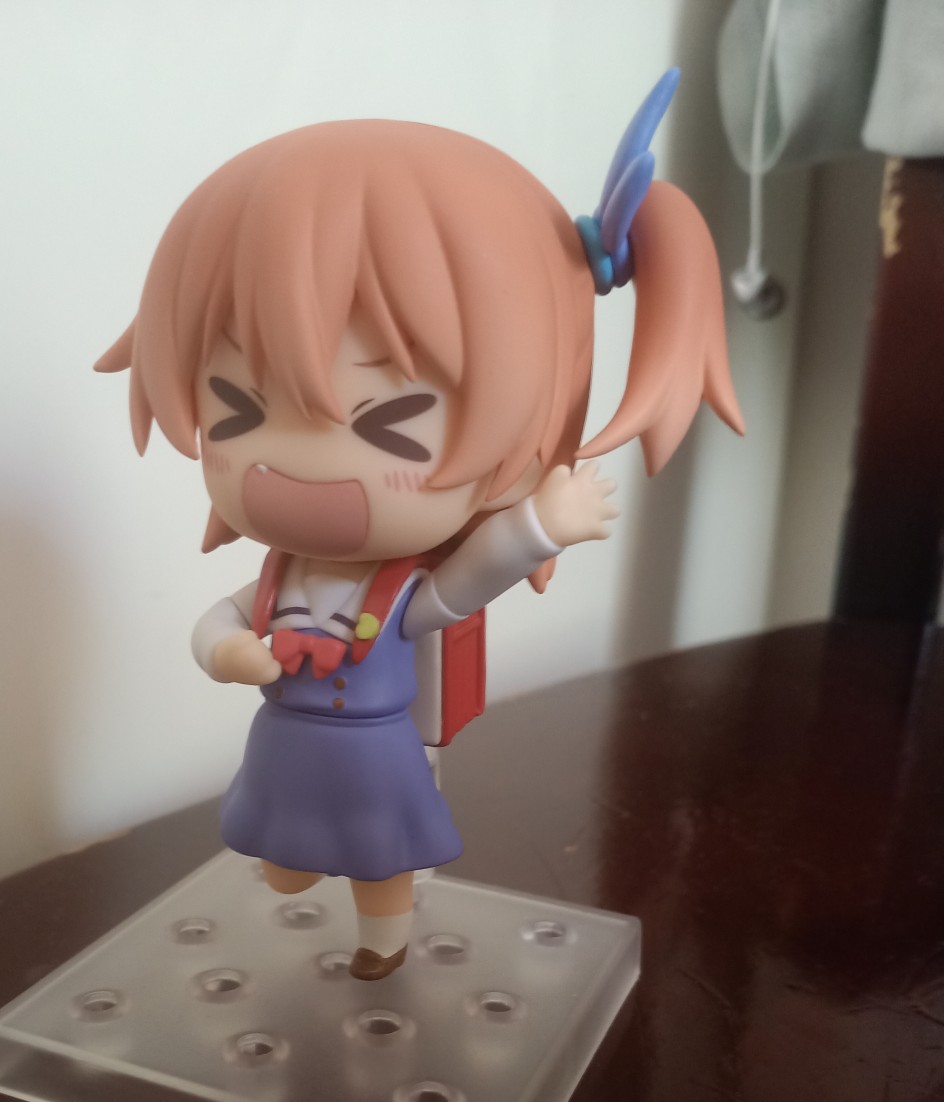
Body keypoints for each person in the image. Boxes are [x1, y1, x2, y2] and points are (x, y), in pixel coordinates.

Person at [97, 91, 742, 979]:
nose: (296, 469)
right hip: (285, 742)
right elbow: (220, 620)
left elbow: (460, 587)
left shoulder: (398, 591)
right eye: (237, 412)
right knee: (279, 847)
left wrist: (538, 528)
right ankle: (294, 864)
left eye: (391, 425)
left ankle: (382, 941)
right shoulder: (279, 576)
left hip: (374, 749)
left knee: (381, 853)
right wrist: (225, 652)